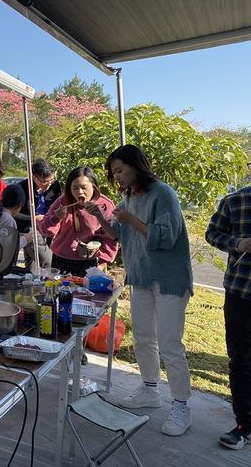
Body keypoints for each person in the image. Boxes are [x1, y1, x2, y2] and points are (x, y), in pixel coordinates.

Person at [87, 144, 193, 436]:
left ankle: (181, 405)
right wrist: (100, 216)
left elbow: (167, 236)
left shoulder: (163, 193)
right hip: (141, 277)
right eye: (113, 173)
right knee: (144, 338)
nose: (116, 177)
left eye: (119, 170)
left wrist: (131, 218)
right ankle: (149, 390)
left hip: (169, 278)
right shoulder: (128, 196)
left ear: (136, 166)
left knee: (170, 342)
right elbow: (121, 235)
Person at [205, 186, 251, 449]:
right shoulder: (236, 201)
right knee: (240, 359)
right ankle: (244, 425)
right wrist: (237, 243)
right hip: (240, 292)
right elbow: (212, 233)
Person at [39, 166, 119, 277]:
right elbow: (44, 230)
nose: (80, 192)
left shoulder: (105, 205)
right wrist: (55, 218)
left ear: (94, 187)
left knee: (88, 293)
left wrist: (102, 262)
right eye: (75, 188)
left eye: (84, 187)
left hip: (91, 263)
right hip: (61, 260)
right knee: (61, 293)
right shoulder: (63, 202)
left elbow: (111, 238)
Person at [14, 158, 62, 269]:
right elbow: (13, 213)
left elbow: (57, 203)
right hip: (29, 229)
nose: (49, 184)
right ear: (34, 178)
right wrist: (32, 218)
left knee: (33, 268)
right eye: (45, 181)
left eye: (52, 180)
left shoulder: (55, 186)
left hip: (48, 227)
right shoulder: (21, 189)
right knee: (48, 261)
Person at [0, 183, 34, 251]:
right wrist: (25, 239)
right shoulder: (8, 220)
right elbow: (8, 246)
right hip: (0, 258)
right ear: (18, 206)